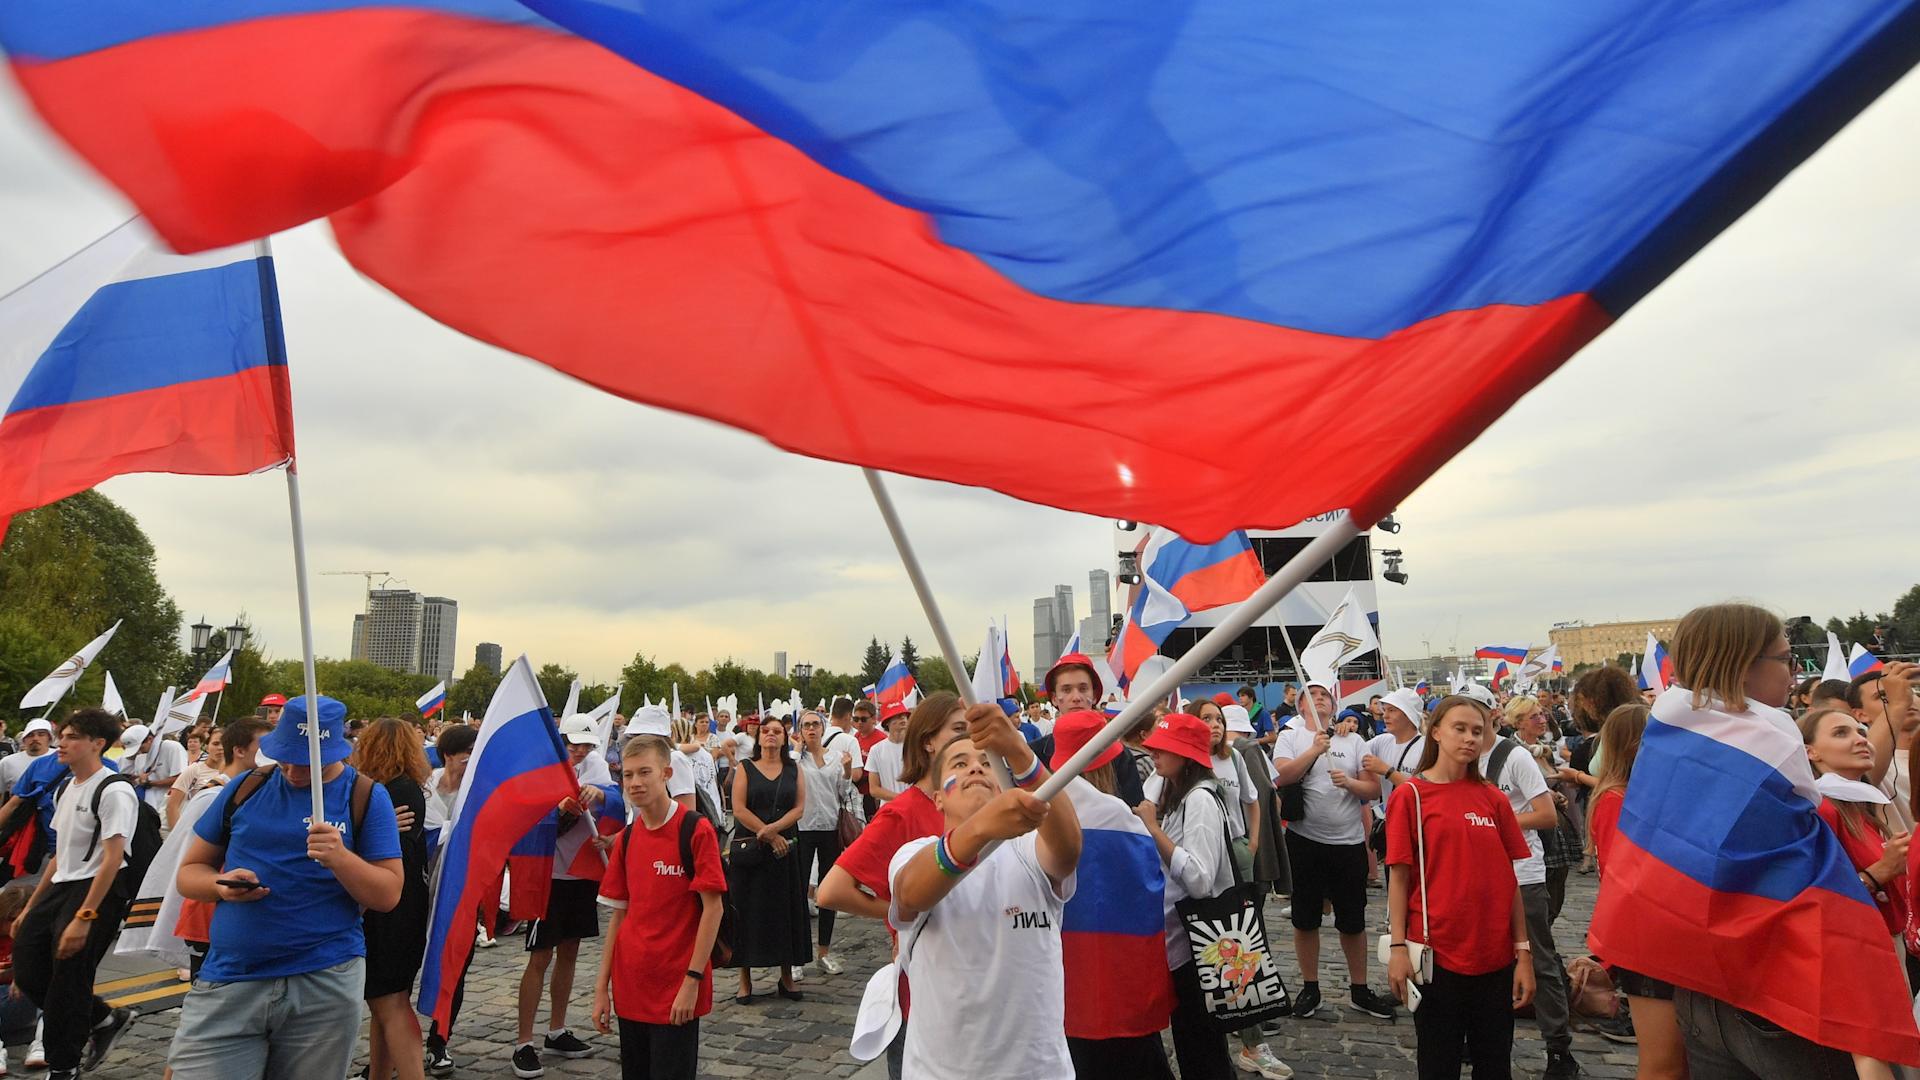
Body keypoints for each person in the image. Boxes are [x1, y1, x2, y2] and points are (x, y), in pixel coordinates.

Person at [168, 695, 404, 1080]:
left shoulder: (365, 796)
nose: (293, 770)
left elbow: (388, 894)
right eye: (285, 756)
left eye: (307, 761)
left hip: (324, 979)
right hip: (231, 977)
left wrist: (341, 859)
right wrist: (221, 885)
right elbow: (189, 873)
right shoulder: (247, 786)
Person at [889, 731, 1081, 1080]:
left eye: (987, 763)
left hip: (1039, 1071)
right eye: (960, 764)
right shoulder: (915, 851)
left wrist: (1018, 750)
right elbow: (911, 893)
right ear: (937, 799)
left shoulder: (1028, 851)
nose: (975, 769)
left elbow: (1068, 848)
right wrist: (978, 828)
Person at [817, 692, 972, 1080]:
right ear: (928, 742)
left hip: (973, 984)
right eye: (959, 729)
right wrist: (900, 914)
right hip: (920, 989)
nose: (970, 737)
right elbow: (831, 890)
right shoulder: (902, 813)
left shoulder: (976, 805)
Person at [1384, 695, 1536, 1080]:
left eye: (1477, 730)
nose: (1469, 738)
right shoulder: (1411, 796)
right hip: (1437, 957)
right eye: (1460, 728)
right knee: (1438, 1064)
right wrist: (1398, 946)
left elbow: (1508, 882)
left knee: (1495, 1064)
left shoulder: (1493, 798)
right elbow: (1399, 879)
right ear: (1435, 731)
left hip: (1495, 956)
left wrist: (1524, 952)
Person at [10, 709, 138, 1080]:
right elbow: (60, 856)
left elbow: (113, 859)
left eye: (72, 737)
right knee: (29, 966)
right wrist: (30, 908)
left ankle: (63, 1067)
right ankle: (104, 1018)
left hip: (97, 887)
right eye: (61, 735)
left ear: (97, 744)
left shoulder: (113, 789)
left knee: (68, 979)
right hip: (63, 884)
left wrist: (84, 918)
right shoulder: (67, 785)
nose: (61, 743)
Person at [592, 734, 726, 1080]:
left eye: (644, 773)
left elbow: (714, 909)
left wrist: (692, 981)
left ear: (666, 774)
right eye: (628, 774)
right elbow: (619, 915)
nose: (635, 783)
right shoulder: (628, 837)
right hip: (631, 985)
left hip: (677, 985)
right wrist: (601, 989)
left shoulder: (695, 830)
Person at [1271, 680, 1394, 1021]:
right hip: (1304, 839)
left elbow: (1371, 789)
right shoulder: (1290, 736)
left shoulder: (1353, 739)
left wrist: (1351, 783)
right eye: (1312, 694)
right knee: (1305, 918)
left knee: (1352, 920)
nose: (1320, 698)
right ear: (1301, 705)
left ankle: (1359, 988)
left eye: (1325, 694)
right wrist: (1313, 749)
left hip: (1347, 842)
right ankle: (1310, 987)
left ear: (1334, 703)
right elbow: (1282, 776)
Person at [511, 716, 618, 1078]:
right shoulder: (541, 767)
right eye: (574, 743)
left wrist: (600, 794)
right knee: (539, 957)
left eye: (586, 744)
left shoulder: (596, 767)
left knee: (569, 952)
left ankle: (556, 1030)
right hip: (549, 877)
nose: (580, 750)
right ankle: (523, 1041)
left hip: (581, 875)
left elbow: (617, 800)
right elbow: (525, 819)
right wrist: (559, 808)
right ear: (561, 739)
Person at [1134, 713, 1238, 1080]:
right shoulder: (1175, 791)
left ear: (1186, 754)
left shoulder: (1199, 800)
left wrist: (1152, 829)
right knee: (1194, 1044)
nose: (1155, 753)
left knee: (1202, 1048)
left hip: (1201, 946)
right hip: (1187, 943)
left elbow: (1198, 879)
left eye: (1164, 748)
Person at [1480, 698, 1580, 1079]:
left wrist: (1493, 821)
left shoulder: (1515, 756)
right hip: (1478, 875)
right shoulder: (1454, 758)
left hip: (1522, 873)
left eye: (1476, 717)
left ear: (1491, 715)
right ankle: (1484, 1038)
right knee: (1483, 959)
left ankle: (1559, 1049)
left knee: (1539, 957)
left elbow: (1546, 815)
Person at [1585, 704, 1685, 1078]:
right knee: (1665, 1064)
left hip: (1666, 937)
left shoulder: (1639, 794)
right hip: (1645, 941)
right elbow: (1621, 880)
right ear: (1634, 746)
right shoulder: (1615, 799)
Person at [1802, 707, 1914, 978]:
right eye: (1841, 733)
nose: (1861, 739)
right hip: (1857, 957)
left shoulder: (1858, 805)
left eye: (1861, 732)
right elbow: (1815, 898)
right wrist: (1880, 872)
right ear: (1810, 752)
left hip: (1884, 944)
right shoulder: (1821, 809)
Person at [350, 718, 433, 1080]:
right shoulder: (405, 787)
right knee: (385, 1001)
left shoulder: (387, 791)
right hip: (406, 901)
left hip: (389, 906)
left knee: (390, 1001)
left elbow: (380, 849)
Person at [728, 715, 809, 1003]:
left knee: (784, 911)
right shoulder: (745, 768)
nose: (771, 735)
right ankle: (744, 980)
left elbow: (799, 807)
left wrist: (775, 831)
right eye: (766, 731)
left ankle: (786, 977)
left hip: (785, 849)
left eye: (777, 731)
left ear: (785, 738)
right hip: (751, 850)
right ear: (758, 737)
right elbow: (738, 808)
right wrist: (767, 833)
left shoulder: (793, 768)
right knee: (747, 911)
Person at [423, 723, 479, 1075]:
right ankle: (390, 1050)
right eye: (464, 758)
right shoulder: (423, 786)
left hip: (462, 894)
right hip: (419, 890)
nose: (469, 764)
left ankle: (439, 1040)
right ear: (446, 756)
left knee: (455, 967)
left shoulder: (478, 791)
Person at [795, 711, 853, 975]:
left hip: (829, 828)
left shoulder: (834, 758)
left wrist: (848, 772)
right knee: (797, 893)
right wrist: (796, 752)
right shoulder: (796, 759)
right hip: (803, 828)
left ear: (823, 727)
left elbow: (842, 793)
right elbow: (788, 784)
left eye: (815, 724)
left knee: (828, 892)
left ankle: (824, 952)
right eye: (806, 725)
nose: (811, 729)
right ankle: (796, 956)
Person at [1856, 663, 1919, 833]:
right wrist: (1897, 705)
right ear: (1860, 714)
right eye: (1884, 696)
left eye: (1910, 690)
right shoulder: (1877, 765)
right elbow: (1864, 775)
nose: (1906, 698)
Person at [167, 727, 227, 828]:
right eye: (216, 744)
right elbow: (172, 806)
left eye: (225, 744)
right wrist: (178, 835)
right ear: (207, 747)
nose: (220, 748)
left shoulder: (233, 774)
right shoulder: (194, 770)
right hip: (188, 827)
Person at [121, 724, 186, 813]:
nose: (139, 752)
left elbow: (181, 779)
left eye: (141, 748)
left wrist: (150, 783)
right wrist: (137, 779)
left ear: (150, 739)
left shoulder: (172, 747)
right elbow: (141, 779)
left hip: (167, 807)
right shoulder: (140, 756)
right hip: (147, 808)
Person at [864, 705, 909, 805]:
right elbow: (874, 789)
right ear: (887, 722)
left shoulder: (917, 746)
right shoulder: (876, 750)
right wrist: (902, 799)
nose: (902, 718)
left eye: (904, 715)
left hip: (915, 808)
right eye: (897, 715)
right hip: (889, 809)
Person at [0, 720, 53, 799]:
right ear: (24, 739)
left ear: (49, 738)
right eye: (30, 735)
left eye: (41, 734)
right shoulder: (7, 762)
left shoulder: (60, 758)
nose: (35, 738)